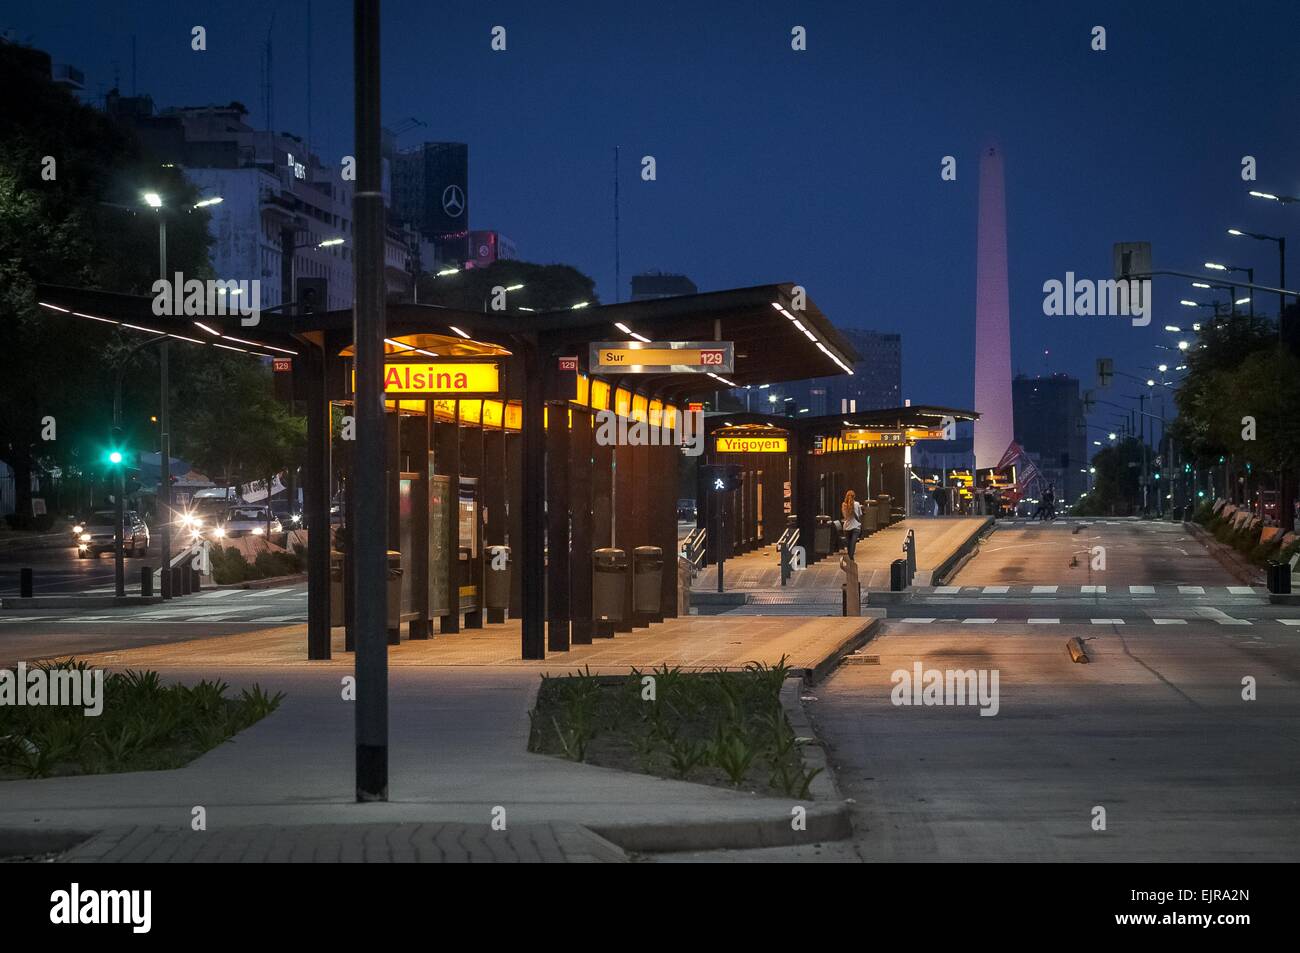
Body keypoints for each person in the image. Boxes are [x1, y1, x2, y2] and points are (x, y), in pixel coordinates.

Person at [841, 489, 863, 560]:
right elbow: (860, 515)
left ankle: (850, 559)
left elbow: (845, 517)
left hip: (846, 527)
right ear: (854, 496)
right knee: (853, 544)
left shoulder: (844, 505)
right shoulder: (857, 504)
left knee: (849, 544)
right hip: (856, 526)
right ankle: (851, 559)